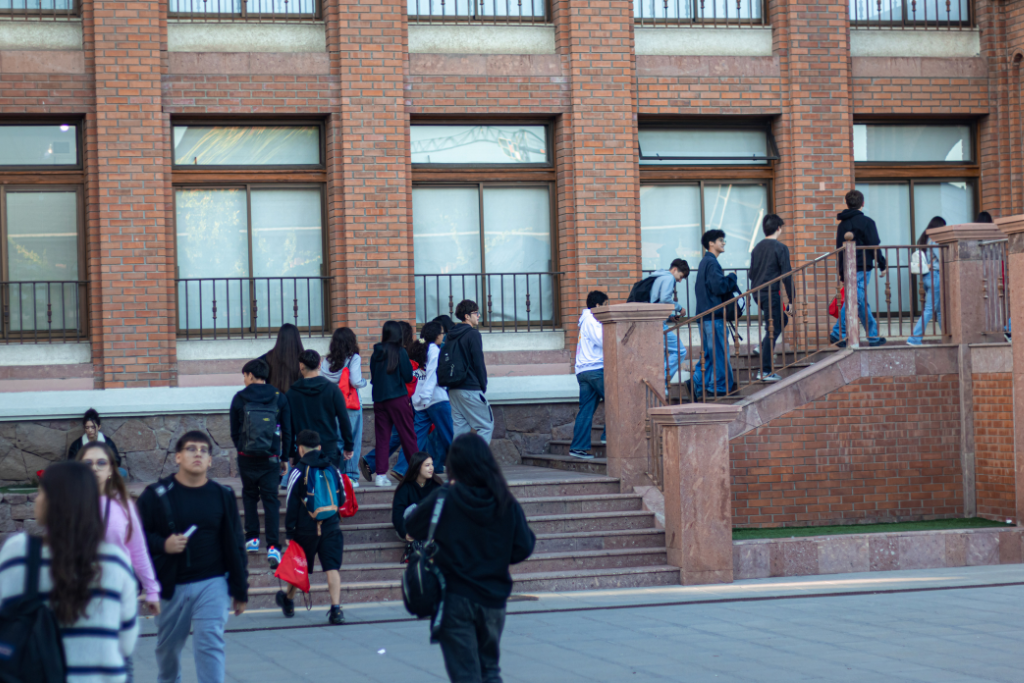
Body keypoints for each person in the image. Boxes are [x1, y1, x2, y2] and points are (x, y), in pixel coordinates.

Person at [406, 434, 536, 683]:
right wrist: (495, 556)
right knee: (489, 670)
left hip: (455, 596)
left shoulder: (446, 497)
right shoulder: (504, 500)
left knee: (466, 675)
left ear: (454, 464)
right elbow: (524, 546)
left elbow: (411, 524)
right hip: (493, 598)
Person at [0, 461, 139, 683]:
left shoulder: (19, 552)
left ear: (53, 502)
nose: (36, 500)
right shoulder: (116, 561)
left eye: (40, 493)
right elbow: (126, 644)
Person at [137, 431, 248, 683]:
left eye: (204, 450)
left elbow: (236, 544)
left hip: (213, 582)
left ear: (210, 461)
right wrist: (163, 543)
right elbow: (136, 537)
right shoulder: (156, 495)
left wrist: (240, 589)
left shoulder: (222, 495)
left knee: (210, 641)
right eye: (191, 449)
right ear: (177, 457)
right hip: (170, 585)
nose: (198, 453)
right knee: (167, 650)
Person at [77, 442, 159, 682]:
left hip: (119, 590)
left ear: (112, 469)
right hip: (80, 590)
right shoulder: (68, 504)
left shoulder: (123, 505)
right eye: (88, 463)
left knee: (121, 657)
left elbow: (139, 550)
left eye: (101, 462)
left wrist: (152, 589)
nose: (95, 468)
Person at [280, 430, 346, 625]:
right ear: (319, 447)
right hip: (331, 526)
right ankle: (336, 610)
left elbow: (291, 503)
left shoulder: (297, 471)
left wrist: (289, 532)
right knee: (332, 568)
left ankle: (289, 601)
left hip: (305, 529)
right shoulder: (333, 468)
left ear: (300, 449)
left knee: (298, 567)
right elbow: (341, 498)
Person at [229, 357, 290, 567]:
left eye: (244, 376)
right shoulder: (279, 397)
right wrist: (283, 457)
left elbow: (234, 432)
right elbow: (287, 430)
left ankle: (252, 538)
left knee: (249, 496)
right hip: (271, 458)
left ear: (250, 375)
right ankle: (273, 547)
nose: (244, 380)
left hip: (247, 458)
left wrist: (243, 450)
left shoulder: (239, 398)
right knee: (271, 501)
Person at [363, 321, 419, 481]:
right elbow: (408, 376)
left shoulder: (376, 353)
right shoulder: (400, 351)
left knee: (382, 437)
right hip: (398, 398)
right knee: (408, 435)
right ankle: (417, 472)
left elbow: (374, 377)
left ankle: (380, 476)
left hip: (379, 399)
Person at [831, 190, 888, 348]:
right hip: (862, 266)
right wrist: (882, 265)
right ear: (862, 203)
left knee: (860, 301)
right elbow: (874, 246)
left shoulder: (842, 225)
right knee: (855, 299)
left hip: (849, 268)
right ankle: (838, 332)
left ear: (847, 203)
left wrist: (842, 273)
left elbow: (839, 250)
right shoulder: (867, 222)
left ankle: (873, 337)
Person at [287, 349, 355, 472]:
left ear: (301, 366)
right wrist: (348, 445)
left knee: (306, 487)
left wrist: (291, 453)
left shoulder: (291, 393)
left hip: (303, 450)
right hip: (328, 449)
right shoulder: (332, 390)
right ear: (319, 365)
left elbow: (289, 426)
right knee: (329, 487)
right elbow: (344, 419)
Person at [691, 230, 739, 399]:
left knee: (709, 355)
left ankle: (697, 381)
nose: (723, 243)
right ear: (711, 243)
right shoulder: (711, 263)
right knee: (719, 353)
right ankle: (719, 388)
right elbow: (718, 286)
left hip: (704, 316)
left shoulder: (705, 262)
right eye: (721, 240)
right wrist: (732, 278)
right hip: (713, 316)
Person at [748, 214, 794, 382]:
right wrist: (792, 300)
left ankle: (763, 347)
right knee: (772, 329)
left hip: (758, 294)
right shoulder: (780, 247)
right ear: (779, 228)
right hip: (771, 293)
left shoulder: (756, 248)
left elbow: (751, 273)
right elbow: (786, 275)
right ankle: (765, 371)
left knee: (781, 319)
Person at [320, 327, 366, 487]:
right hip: (350, 403)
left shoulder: (326, 361)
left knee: (337, 439)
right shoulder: (354, 358)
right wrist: (364, 383)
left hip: (331, 402)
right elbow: (355, 381)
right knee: (352, 439)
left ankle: (335, 473)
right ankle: (351, 476)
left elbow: (323, 379)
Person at [446, 299, 494, 444]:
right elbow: (478, 362)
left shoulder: (451, 334)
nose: (479, 316)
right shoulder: (473, 334)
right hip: (470, 387)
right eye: (476, 313)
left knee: (460, 430)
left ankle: (456, 466)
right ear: (467, 316)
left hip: (453, 388)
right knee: (486, 426)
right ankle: (476, 463)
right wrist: (482, 385)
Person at [411, 321, 455, 473]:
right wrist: (427, 396)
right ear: (436, 335)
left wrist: (422, 398)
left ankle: (415, 467)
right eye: (442, 333)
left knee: (418, 438)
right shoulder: (434, 350)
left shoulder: (419, 348)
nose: (443, 336)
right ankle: (461, 467)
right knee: (449, 435)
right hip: (435, 399)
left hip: (420, 402)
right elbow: (432, 374)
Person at [569, 290, 608, 459]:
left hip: (584, 371)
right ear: (597, 305)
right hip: (595, 369)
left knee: (586, 409)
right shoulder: (592, 319)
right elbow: (602, 340)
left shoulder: (587, 319)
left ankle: (578, 447)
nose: (608, 309)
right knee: (617, 401)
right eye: (606, 305)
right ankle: (609, 437)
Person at [650, 259, 690, 386]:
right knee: (680, 351)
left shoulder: (656, 276)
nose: (679, 280)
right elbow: (665, 298)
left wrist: (669, 317)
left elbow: (655, 302)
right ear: (674, 270)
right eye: (680, 276)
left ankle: (659, 384)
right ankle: (661, 382)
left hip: (649, 321)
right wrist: (680, 308)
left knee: (659, 355)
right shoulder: (669, 278)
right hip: (656, 323)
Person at [907, 216, 946, 347]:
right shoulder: (935, 239)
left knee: (939, 310)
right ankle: (914, 338)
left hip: (928, 276)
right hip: (935, 276)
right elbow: (942, 258)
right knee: (929, 310)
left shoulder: (926, 238)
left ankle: (946, 337)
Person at [391, 451, 443, 542]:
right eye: (427, 465)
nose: (431, 468)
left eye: (432, 464)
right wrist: (405, 533)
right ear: (417, 467)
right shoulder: (405, 487)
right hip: (411, 527)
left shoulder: (437, 485)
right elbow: (397, 514)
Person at [262, 323, 304, 395]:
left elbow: (252, 367)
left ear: (279, 338)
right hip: (298, 400)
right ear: (297, 339)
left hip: (275, 400)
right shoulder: (303, 358)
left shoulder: (267, 357)